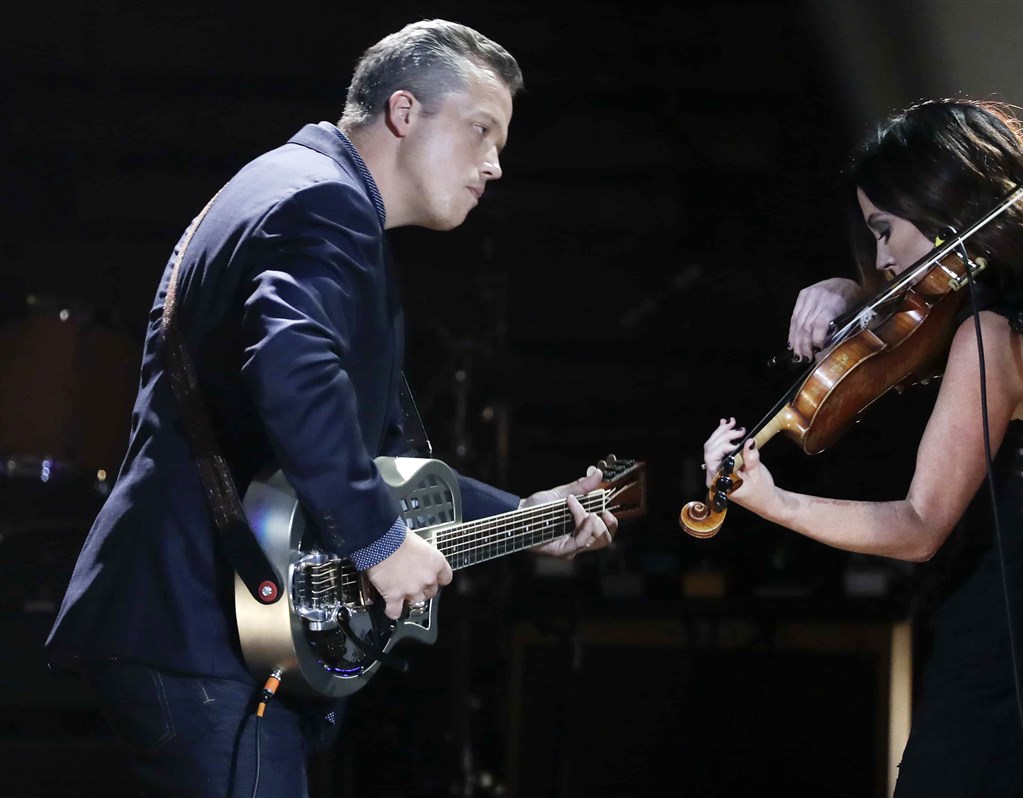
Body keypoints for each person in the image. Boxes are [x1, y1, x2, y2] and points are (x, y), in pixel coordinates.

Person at [45, 19, 618, 798]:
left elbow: (373, 456)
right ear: (405, 113)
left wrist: (528, 514)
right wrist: (380, 544)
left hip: (203, 624)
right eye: (481, 131)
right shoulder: (324, 202)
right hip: (203, 626)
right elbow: (291, 368)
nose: (495, 165)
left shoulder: (292, 184)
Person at [702, 99, 1023, 796]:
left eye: (884, 230)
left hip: (1003, 688)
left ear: (942, 202)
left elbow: (919, 527)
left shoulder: (990, 337)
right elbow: (925, 350)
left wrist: (770, 499)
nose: (882, 257)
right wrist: (855, 294)